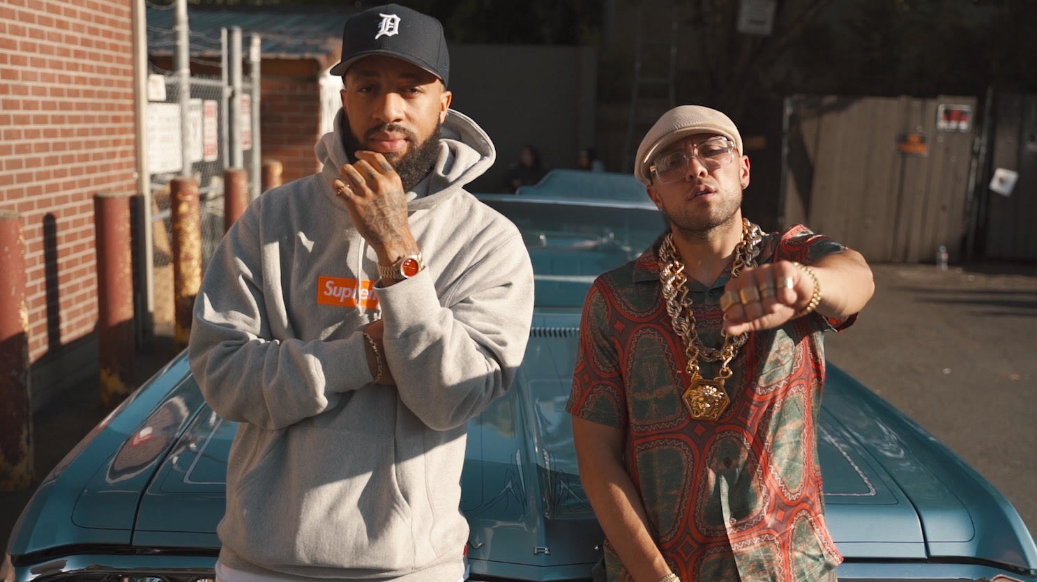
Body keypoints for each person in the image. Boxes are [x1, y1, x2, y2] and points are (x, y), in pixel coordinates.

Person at [188, 4, 535, 581]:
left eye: (410, 88)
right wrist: (362, 359)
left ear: (444, 102)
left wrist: (396, 248)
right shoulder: (272, 219)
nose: (388, 109)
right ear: (344, 98)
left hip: (409, 568)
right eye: (368, 87)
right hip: (261, 566)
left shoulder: (488, 241)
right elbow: (221, 374)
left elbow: (451, 398)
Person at [567, 105, 874, 582]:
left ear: (744, 170)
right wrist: (656, 577)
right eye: (672, 162)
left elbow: (855, 277)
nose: (695, 168)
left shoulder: (790, 256)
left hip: (787, 567)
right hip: (666, 568)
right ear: (654, 194)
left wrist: (805, 286)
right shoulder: (615, 298)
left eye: (713, 150)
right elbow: (596, 457)